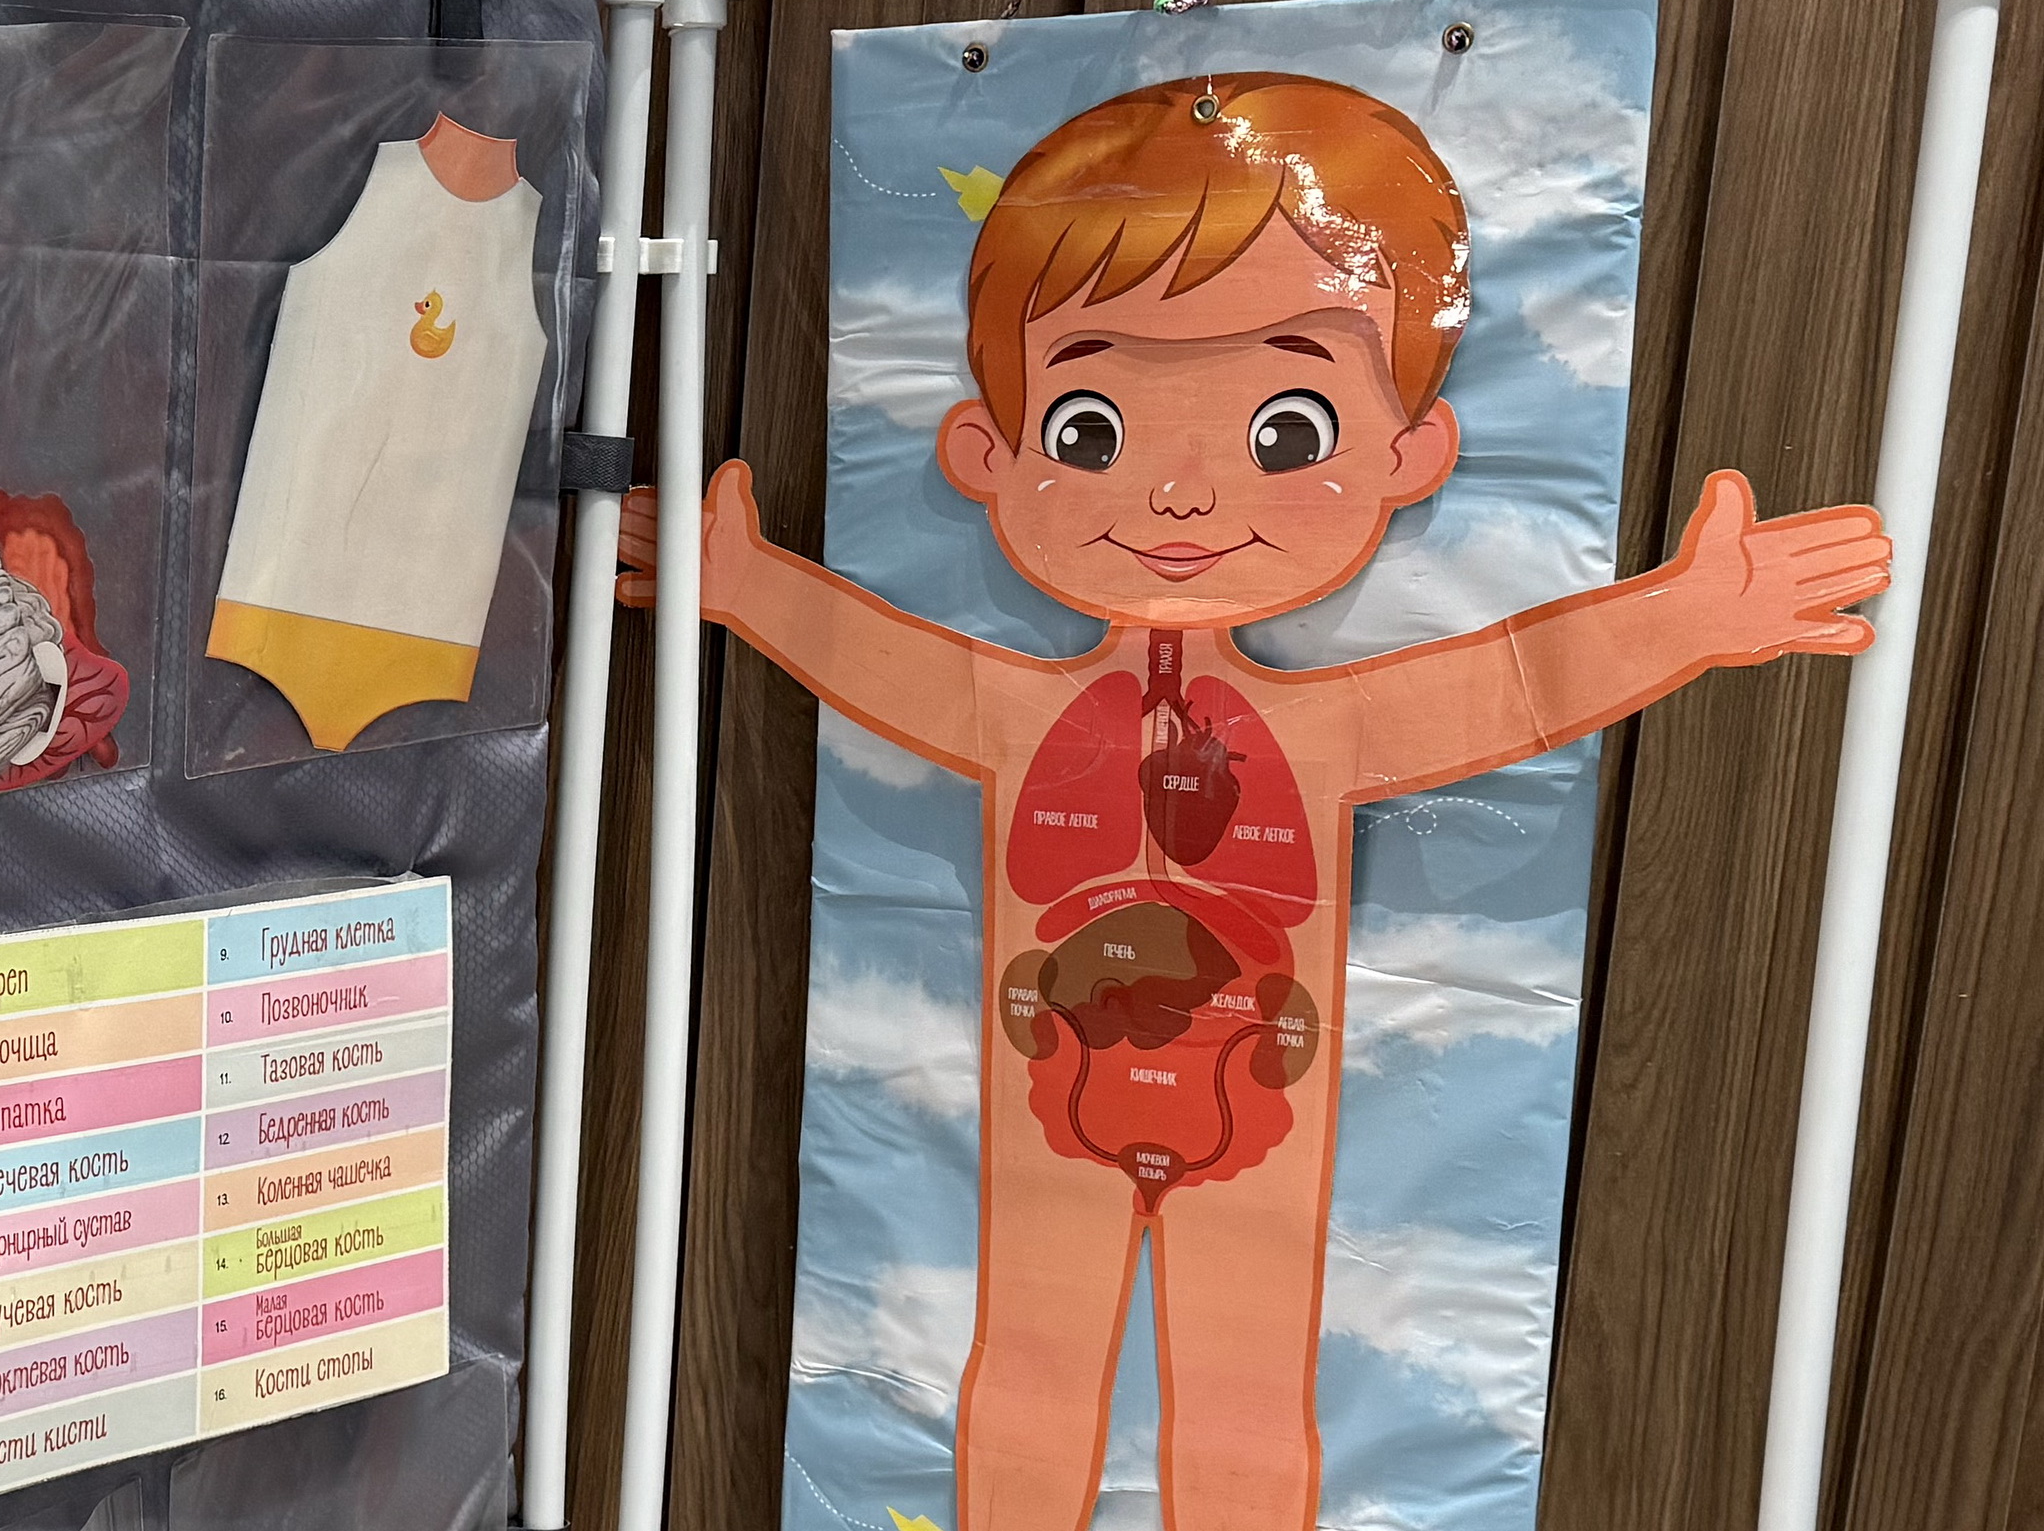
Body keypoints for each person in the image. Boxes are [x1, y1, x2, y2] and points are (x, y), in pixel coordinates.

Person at [617, 73, 1890, 1531]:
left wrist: (1684, 619)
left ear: (1410, 453)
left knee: (1239, 1396)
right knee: (1030, 1365)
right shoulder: (1031, 712)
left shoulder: (1306, 727)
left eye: (1285, 429)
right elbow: (886, 664)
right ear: (988, 454)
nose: (1177, 496)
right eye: (1092, 429)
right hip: (1057, 1080)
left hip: (1254, 1105)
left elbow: (1515, 683)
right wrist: (746, 586)